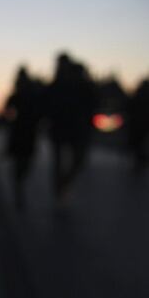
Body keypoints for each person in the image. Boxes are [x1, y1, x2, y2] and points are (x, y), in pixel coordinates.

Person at [46, 54, 97, 200]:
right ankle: (59, 190)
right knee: (59, 163)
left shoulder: (80, 81)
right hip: (60, 128)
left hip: (77, 129)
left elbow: (92, 101)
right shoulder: (56, 84)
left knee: (78, 161)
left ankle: (63, 184)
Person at [5, 66, 43, 209]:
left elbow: (8, 112)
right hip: (24, 133)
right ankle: (18, 192)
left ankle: (18, 188)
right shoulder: (21, 95)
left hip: (23, 133)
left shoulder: (25, 95)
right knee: (23, 164)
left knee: (22, 165)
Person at [128, 78, 149, 169]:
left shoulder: (139, 94)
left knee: (138, 142)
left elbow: (131, 105)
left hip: (138, 122)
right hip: (141, 122)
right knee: (140, 143)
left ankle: (140, 160)